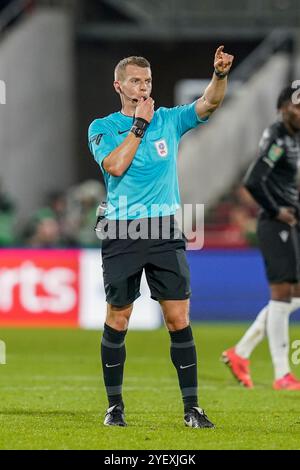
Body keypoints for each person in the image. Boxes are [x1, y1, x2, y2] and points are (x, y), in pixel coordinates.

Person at [88, 47, 234, 428]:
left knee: (178, 317)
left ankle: (192, 408)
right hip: (122, 230)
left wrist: (218, 76)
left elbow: (209, 104)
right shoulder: (101, 128)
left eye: (148, 81)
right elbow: (116, 165)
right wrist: (138, 124)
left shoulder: (169, 119)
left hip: (164, 229)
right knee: (118, 319)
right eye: (135, 80)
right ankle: (114, 407)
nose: (143, 86)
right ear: (118, 85)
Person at [222, 85, 300, 391]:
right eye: (296, 106)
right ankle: (282, 374)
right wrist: (275, 209)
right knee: (282, 296)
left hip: (290, 222)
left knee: (293, 297)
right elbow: (253, 180)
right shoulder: (279, 138)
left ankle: (240, 352)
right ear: (282, 108)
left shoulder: (292, 138)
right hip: (275, 223)